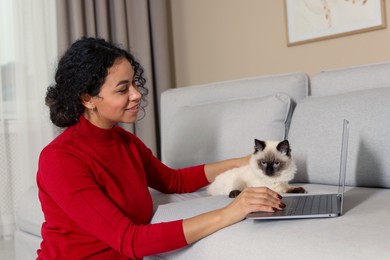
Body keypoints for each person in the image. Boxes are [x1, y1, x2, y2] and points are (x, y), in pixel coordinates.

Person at [36, 37, 284, 260]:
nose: (136, 95)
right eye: (123, 89)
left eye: (134, 83)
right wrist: (230, 212)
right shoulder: (61, 159)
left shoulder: (124, 141)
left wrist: (244, 161)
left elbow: (173, 180)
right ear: (87, 99)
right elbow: (130, 240)